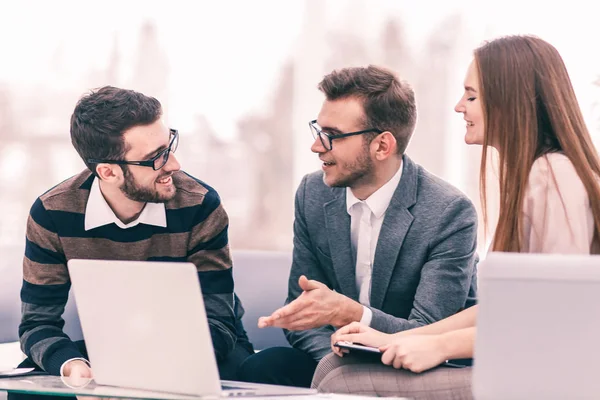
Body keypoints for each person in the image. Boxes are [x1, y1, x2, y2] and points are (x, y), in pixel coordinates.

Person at [313, 35, 600, 399]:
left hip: (553, 381)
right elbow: (498, 310)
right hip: (525, 367)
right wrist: (397, 338)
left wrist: (441, 347)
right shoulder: (535, 176)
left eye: (472, 96)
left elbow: (556, 316)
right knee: (333, 367)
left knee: (341, 380)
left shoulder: (554, 176)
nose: (458, 107)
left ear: (511, 100)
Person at [238, 65, 479, 387]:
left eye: (333, 136)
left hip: (416, 365)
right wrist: (336, 367)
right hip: (335, 358)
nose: (317, 146)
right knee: (263, 367)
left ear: (382, 146)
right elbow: (303, 311)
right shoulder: (313, 193)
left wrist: (350, 314)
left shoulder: (449, 212)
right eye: (318, 130)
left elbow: (428, 328)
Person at [14, 86, 253, 396]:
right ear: (108, 172)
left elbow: (219, 323)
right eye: (155, 158)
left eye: (169, 146)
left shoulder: (199, 205)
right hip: (107, 353)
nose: (173, 164)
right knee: (28, 386)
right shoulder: (52, 213)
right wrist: (73, 366)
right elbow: (36, 324)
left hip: (200, 349)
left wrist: (148, 374)